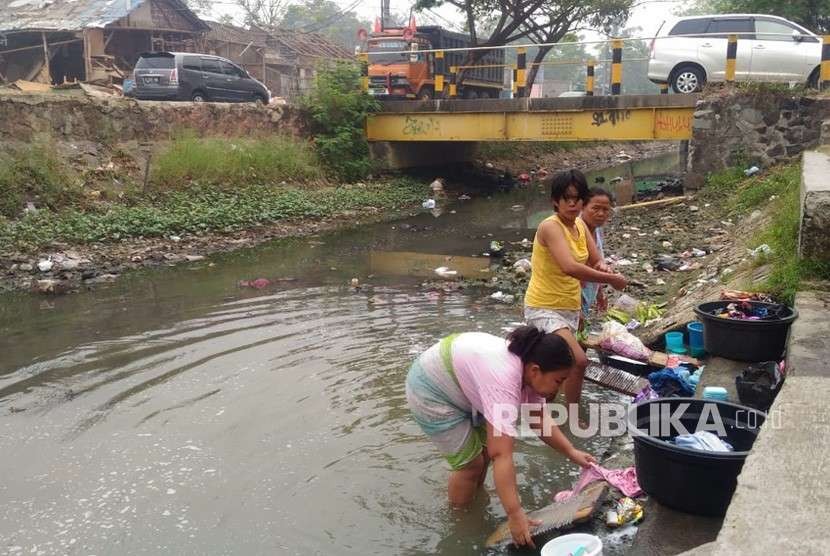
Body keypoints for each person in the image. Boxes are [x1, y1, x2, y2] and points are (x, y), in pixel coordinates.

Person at [406, 326, 596, 547]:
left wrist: (571, 452)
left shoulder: (529, 372)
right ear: (535, 370)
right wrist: (515, 515)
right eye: (558, 380)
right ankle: (460, 522)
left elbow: (538, 419)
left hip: (460, 384)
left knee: (483, 455)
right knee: (470, 465)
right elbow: (502, 454)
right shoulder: (504, 380)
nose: (560, 388)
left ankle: (471, 499)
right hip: (431, 391)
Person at [524, 170, 627, 408]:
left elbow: (595, 259)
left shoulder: (580, 227)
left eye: (576, 198)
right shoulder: (550, 227)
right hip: (544, 307)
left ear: (582, 200)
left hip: (570, 307)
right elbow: (570, 267)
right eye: (565, 198)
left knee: (554, 367)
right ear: (555, 201)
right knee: (577, 361)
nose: (571, 203)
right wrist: (611, 280)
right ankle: (571, 415)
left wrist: (605, 269)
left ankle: (543, 411)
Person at [580, 188, 615, 320]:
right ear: (582, 207)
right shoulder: (573, 231)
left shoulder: (598, 230)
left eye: (605, 210)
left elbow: (597, 262)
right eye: (595, 208)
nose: (601, 214)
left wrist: (600, 294)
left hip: (588, 292)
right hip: (571, 298)